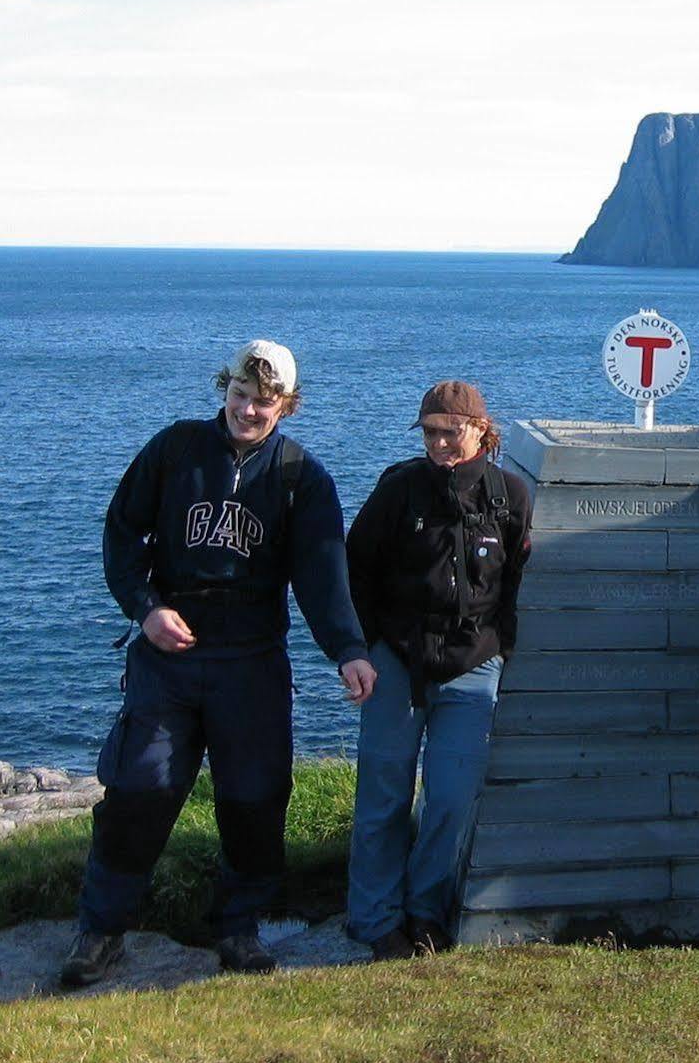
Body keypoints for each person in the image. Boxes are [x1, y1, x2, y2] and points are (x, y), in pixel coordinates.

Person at [62, 341, 376, 987]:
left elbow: (322, 577)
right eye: (239, 393)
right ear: (224, 387)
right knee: (139, 787)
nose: (248, 409)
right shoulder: (175, 449)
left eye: (264, 400)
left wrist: (347, 649)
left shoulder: (300, 477)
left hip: (251, 661)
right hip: (167, 656)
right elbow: (121, 534)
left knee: (254, 797)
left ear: (286, 404)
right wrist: (145, 608)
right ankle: (101, 928)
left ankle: (239, 926)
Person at [345, 381, 532, 958]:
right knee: (384, 794)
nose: (440, 443)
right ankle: (376, 919)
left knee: (451, 799)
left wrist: (502, 649)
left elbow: (517, 584)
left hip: (473, 667)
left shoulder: (509, 497)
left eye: (451, 430)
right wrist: (365, 649)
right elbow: (355, 571)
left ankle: (426, 912)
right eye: (430, 432)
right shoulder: (398, 490)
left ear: (480, 430)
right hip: (397, 663)